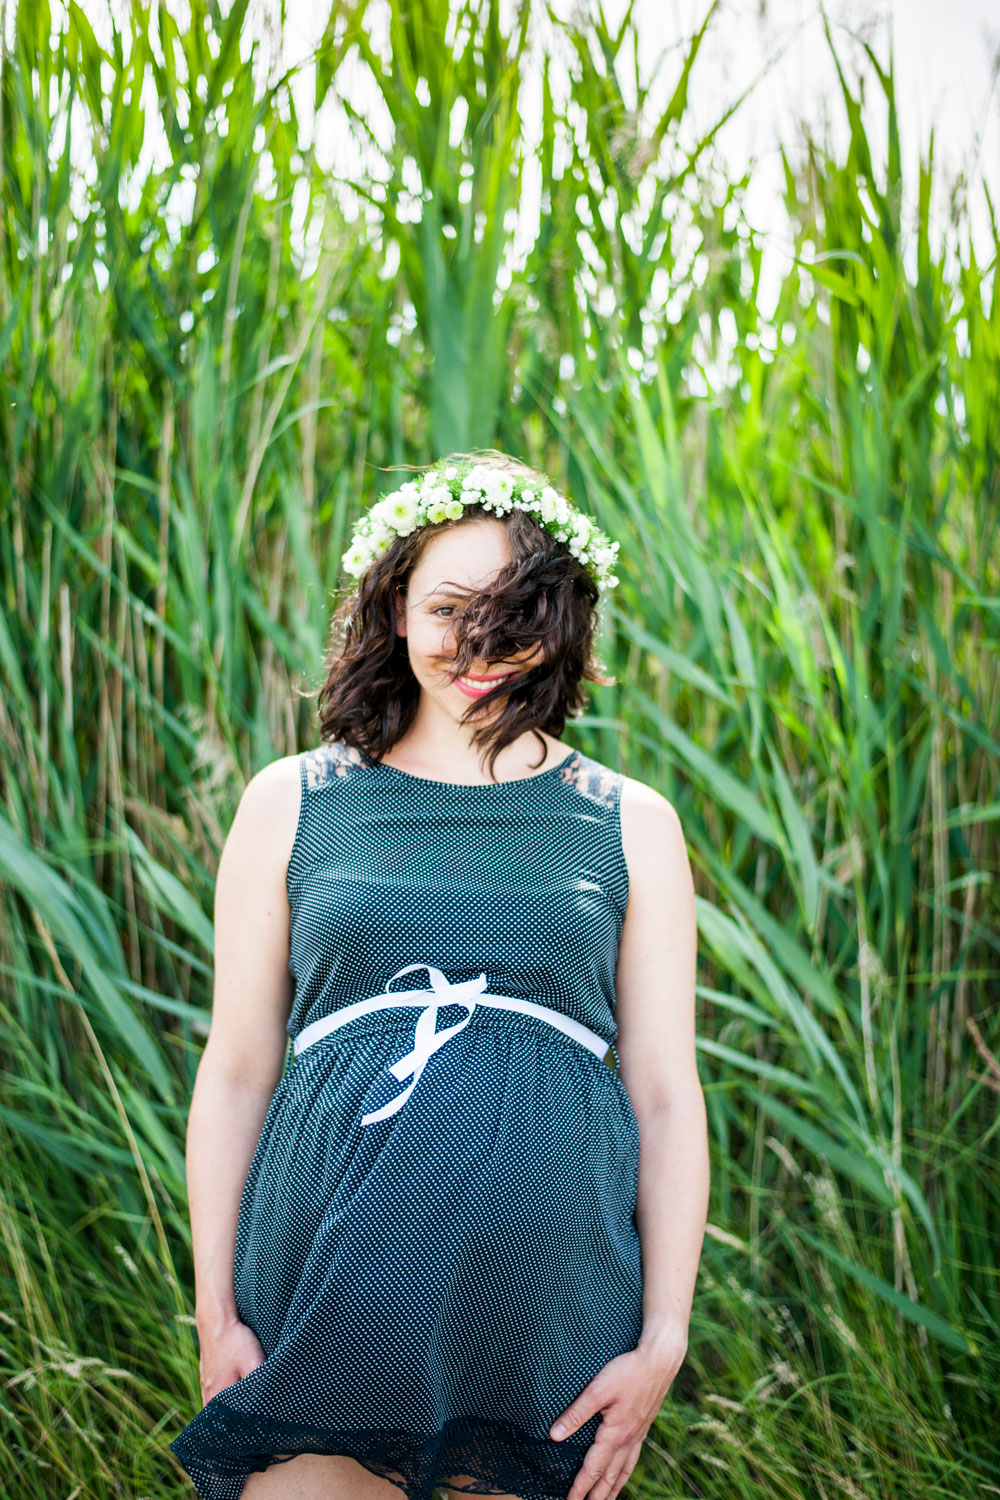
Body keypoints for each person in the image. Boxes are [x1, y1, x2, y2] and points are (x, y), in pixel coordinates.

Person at [169, 450, 708, 1500]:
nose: (478, 645)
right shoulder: (292, 799)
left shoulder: (628, 821)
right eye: (448, 608)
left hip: (546, 1300)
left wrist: (664, 1338)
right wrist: (216, 1314)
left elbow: (663, 1091)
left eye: (515, 612)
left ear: (560, 622)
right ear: (393, 609)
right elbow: (235, 1070)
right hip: (324, 1266)